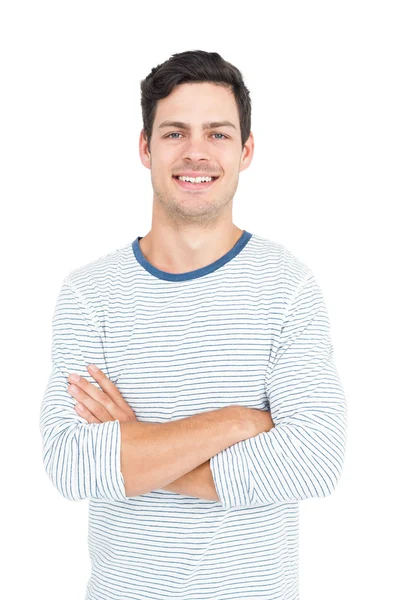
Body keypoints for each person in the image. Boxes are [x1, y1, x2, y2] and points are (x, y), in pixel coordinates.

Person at [39, 49, 347, 600]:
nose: (196, 153)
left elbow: (314, 460)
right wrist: (235, 422)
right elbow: (70, 465)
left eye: (218, 134)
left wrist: (137, 448)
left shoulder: (286, 288)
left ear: (247, 150)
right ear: (145, 147)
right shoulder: (90, 294)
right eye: (175, 133)